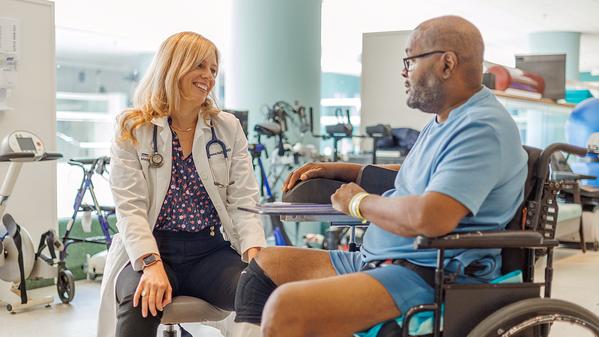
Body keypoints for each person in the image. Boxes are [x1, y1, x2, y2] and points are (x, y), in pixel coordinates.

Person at [233, 15, 528, 337]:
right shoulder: (445, 119)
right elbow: (418, 177)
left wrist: (359, 202)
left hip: (428, 272)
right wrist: (345, 169)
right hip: (384, 259)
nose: (404, 71)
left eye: (410, 60)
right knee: (266, 266)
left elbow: (431, 216)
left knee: (287, 307)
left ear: (447, 64)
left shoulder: (481, 127)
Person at [97, 32, 266, 337]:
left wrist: (255, 255)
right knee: (141, 301)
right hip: (151, 248)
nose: (208, 77)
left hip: (210, 252)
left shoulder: (227, 127)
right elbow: (130, 209)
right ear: (173, 66)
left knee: (261, 296)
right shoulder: (133, 128)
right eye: (199, 66)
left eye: (213, 70)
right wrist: (150, 264)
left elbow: (243, 199)